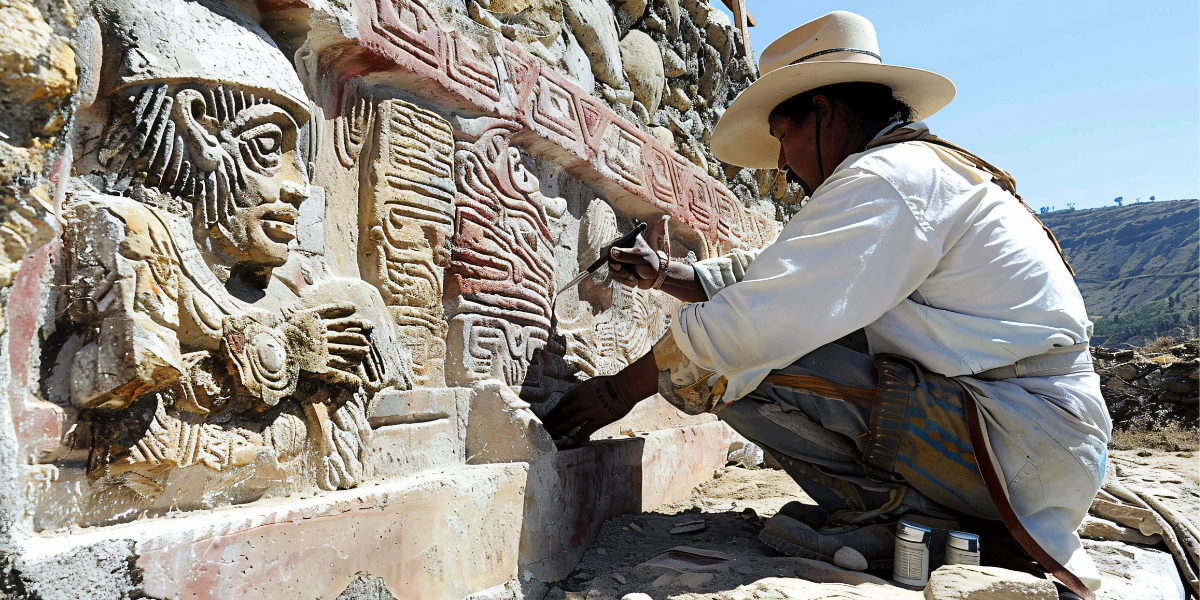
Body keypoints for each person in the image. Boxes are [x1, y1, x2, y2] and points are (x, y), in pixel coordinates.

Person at [544, 11, 1109, 600]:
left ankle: (904, 517)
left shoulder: (887, 177)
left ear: (823, 112)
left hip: (1021, 443)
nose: (784, 165)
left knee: (737, 364)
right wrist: (670, 276)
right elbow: (780, 278)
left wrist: (617, 392)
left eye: (784, 139)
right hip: (1040, 442)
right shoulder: (909, 170)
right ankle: (927, 516)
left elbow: (761, 318)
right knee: (740, 347)